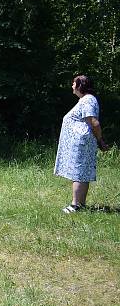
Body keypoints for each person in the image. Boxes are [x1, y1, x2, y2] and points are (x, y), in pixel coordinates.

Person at [54, 75, 110, 213]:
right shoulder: (85, 100)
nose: (72, 86)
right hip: (82, 142)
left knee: (79, 172)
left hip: (82, 143)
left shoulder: (88, 100)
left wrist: (100, 140)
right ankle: (80, 205)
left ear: (80, 85)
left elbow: (94, 122)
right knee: (82, 172)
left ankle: (75, 205)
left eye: (74, 83)